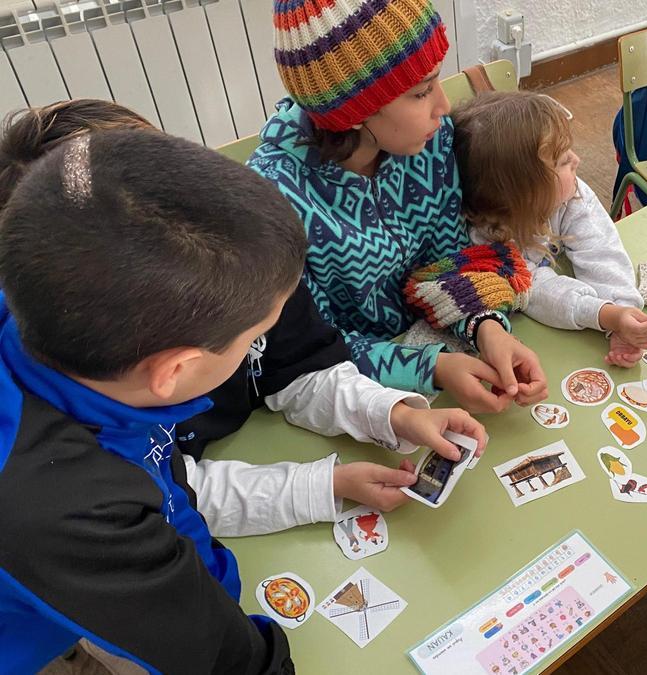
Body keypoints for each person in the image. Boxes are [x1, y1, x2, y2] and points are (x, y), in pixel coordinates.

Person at [0, 100, 489, 537]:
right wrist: (317, 487)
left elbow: (301, 365)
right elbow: (168, 495)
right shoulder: (80, 408)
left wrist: (394, 413)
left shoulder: (233, 252)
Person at [0, 130, 304, 673]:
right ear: (175, 370)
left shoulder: (59, 334)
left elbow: (161, 481)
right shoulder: (69, 510)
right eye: (255, 337)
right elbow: (216, 659)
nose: (257, 346)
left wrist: (213, 583)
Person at [250, 0, 547, 414]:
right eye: (421, 92)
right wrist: (432, 368)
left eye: (436, 81)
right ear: (351, 110)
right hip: (353, 397)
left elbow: (449, 259)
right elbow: (311, 350)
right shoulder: (276, 198)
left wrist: (486, 327)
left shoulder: (430, 141)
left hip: (438, 353)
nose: (443, 107)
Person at [445, 90, 647, 367]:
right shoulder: (484, 236)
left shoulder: (571, 194)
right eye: (561, 161)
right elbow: (536, 291)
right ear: (523, 193)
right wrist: (605, 314)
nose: (576, 160)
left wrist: (622, 312)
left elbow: (602, 252)